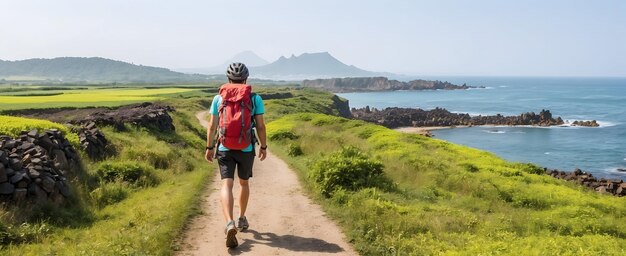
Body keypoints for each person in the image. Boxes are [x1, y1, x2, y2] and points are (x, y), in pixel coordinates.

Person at [204, 62, 267, 248]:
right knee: (244, 183)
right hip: (246, 148)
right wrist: (263, 146)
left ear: (228, 79)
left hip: (224, 147)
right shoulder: (255, 99)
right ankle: (241, 218)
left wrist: (209, 148)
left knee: (226, 184)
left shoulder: (218, 98)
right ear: (246, 79)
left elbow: (212, 126)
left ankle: (229, 222)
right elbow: (261, 126)